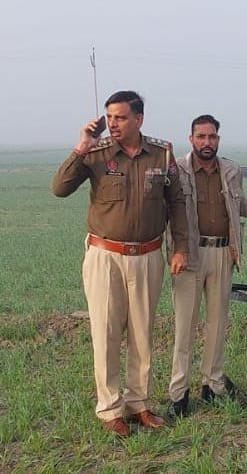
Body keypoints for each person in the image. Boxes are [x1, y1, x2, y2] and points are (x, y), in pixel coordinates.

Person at [52, 90, 189, 437]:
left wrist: (180, 248)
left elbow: (177, 202)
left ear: (139, 119)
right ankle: (110, 408)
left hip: (148, 256)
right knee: (107, 333)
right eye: (109, 117)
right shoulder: (96, 155)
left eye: (120, 117)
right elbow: (59, 188)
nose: (112, 123)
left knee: (143, 333)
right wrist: (82, 145)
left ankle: (139, 404)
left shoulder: (162, 153)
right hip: (105, 256)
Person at [166, 115, 247, 420]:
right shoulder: (176, 169)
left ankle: (213, 384)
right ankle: (179, 394)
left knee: (218, 324)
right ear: (191, 139)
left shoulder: (229, 170)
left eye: (212, 137)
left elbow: (239, 204)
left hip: (222, 253)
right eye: (201, 136)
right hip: (189, 254)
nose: (207, 142)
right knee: (185, 327)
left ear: (218, 139)